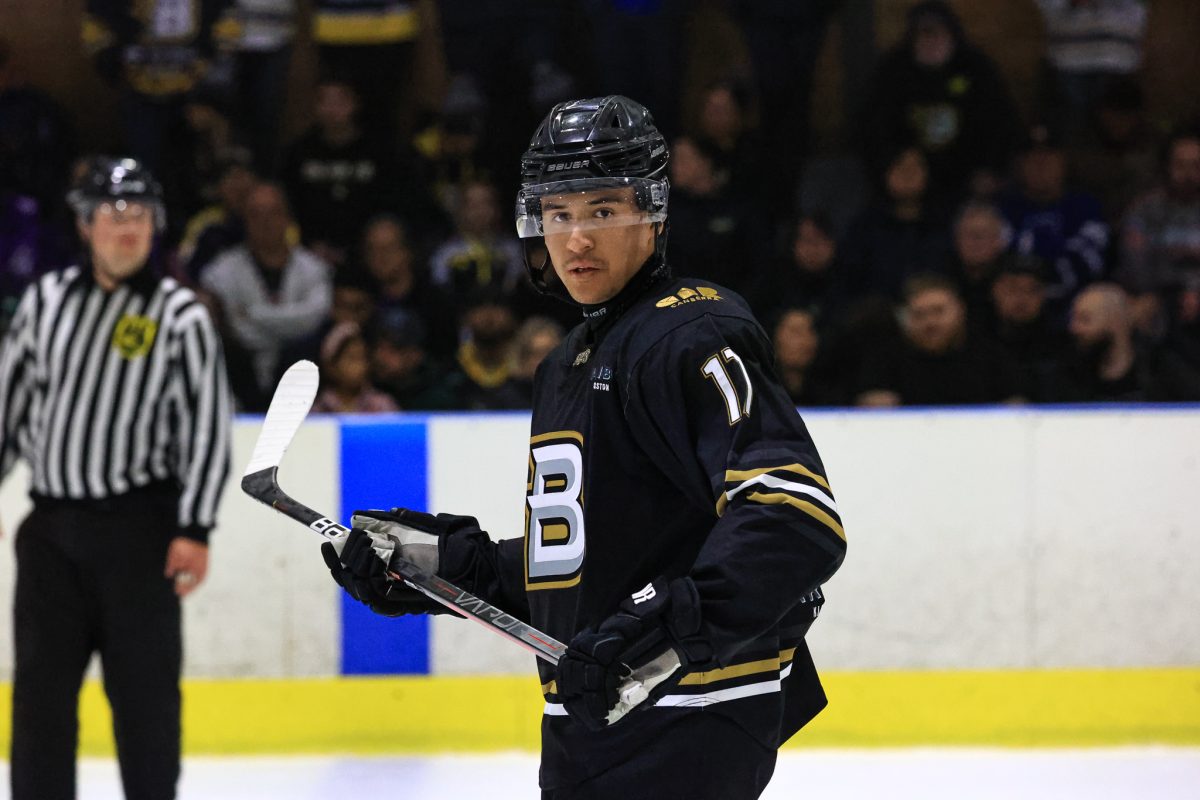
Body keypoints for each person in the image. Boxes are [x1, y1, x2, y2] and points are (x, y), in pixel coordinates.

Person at [321, 95, 846, 798]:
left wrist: (666, 629)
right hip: (592, 728)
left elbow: (794, 514)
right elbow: (583, 568)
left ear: (654, 212)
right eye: (559, 213)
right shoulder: (567, 361)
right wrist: (438, 568)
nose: (576, 239)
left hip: (687, 721)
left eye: (603, 210)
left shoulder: (692, 334)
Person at [0, 158, 232, 799]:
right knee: (40, 703)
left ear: (155, 226)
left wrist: (195, 527)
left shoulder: (181, 316)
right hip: (50, 535)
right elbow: (8, 408)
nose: (125, 228)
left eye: (139, 216)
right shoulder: (43, 304)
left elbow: (207, 431)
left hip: (142, 535)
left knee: (147, 703)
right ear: (84, 224)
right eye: (112, 214)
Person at [200, 181, 332, 410]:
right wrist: (284, 322)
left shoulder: (314, 269)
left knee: (304, 350)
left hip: (302, 393)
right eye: (256, 214)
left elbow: (311, 321)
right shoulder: (220, 272)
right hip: (237, 387)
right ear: (244, 220)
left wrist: (251, 315)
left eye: (273, 213)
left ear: (288, 218)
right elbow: (231, 330)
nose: (266, 222)